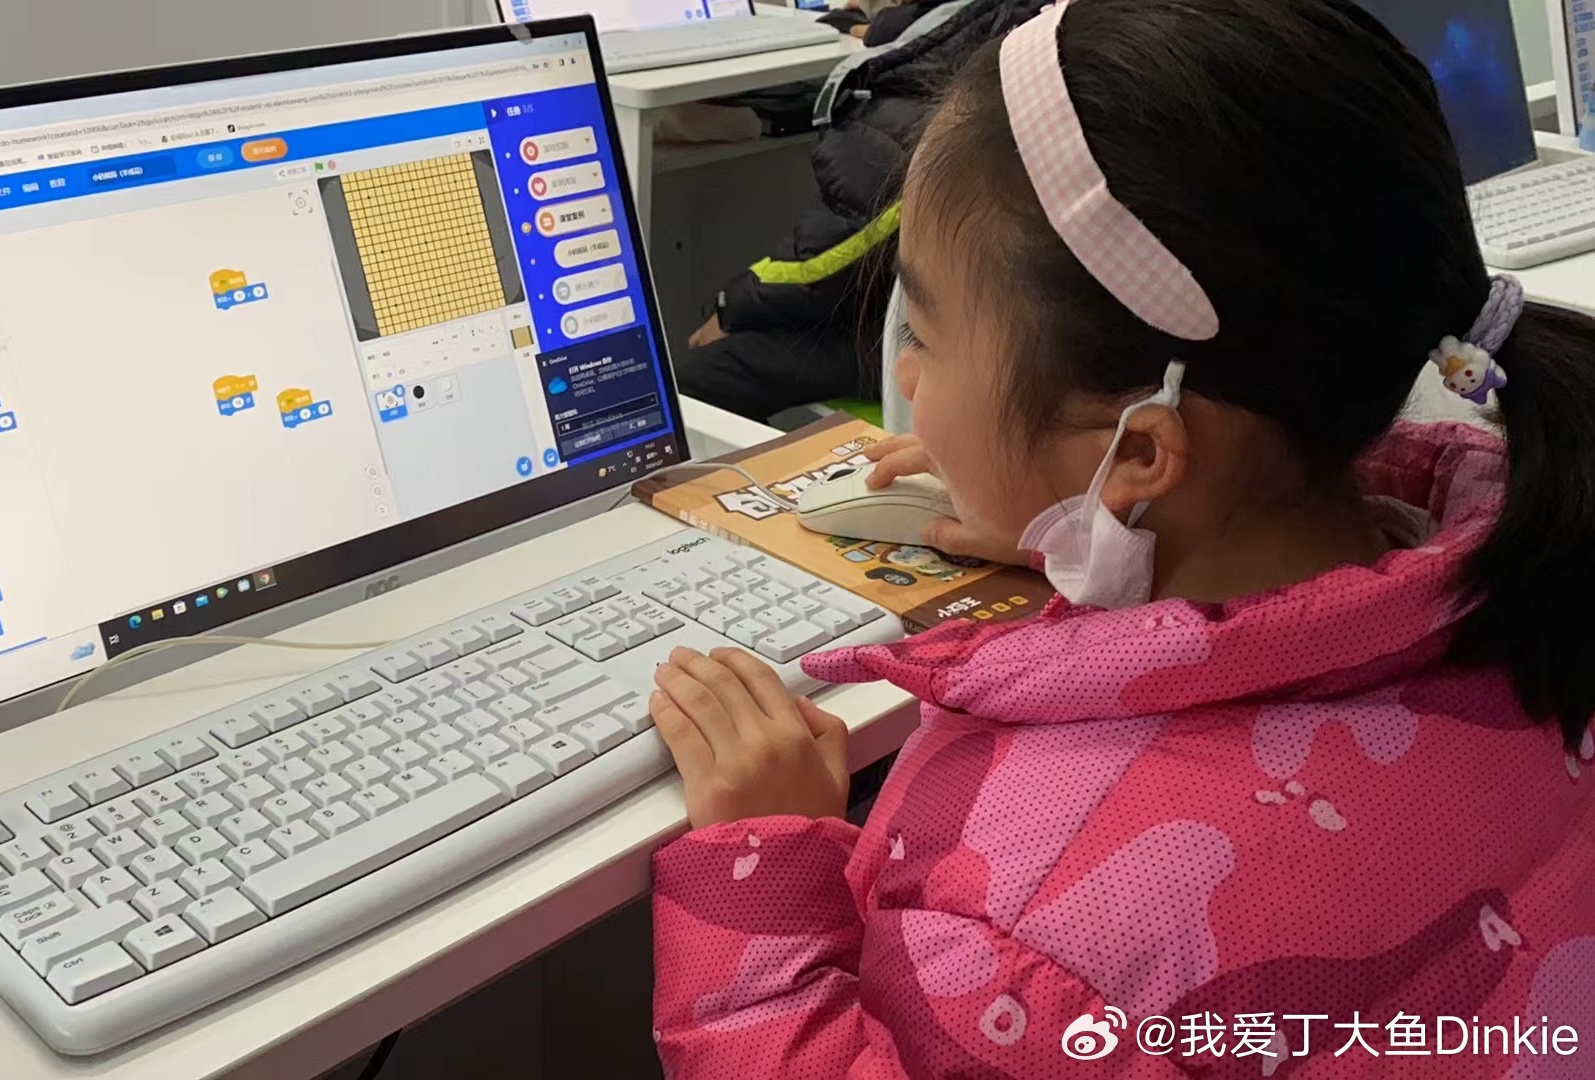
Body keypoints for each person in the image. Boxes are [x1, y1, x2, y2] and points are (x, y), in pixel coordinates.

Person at [644, 0, 1595, 1075]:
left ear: (1141, 450)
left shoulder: (1036, 938)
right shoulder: (1530, 574)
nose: (903, 375)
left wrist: (763, 884)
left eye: (926, 336)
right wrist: (1084, 517)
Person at [672, 0, 1044, 422]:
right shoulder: (1017, 29)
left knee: (705, 378)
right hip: (991, 319)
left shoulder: (959, 74)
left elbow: (842, 245)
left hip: (953, 337)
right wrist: (864, 27)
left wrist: (735, 306)